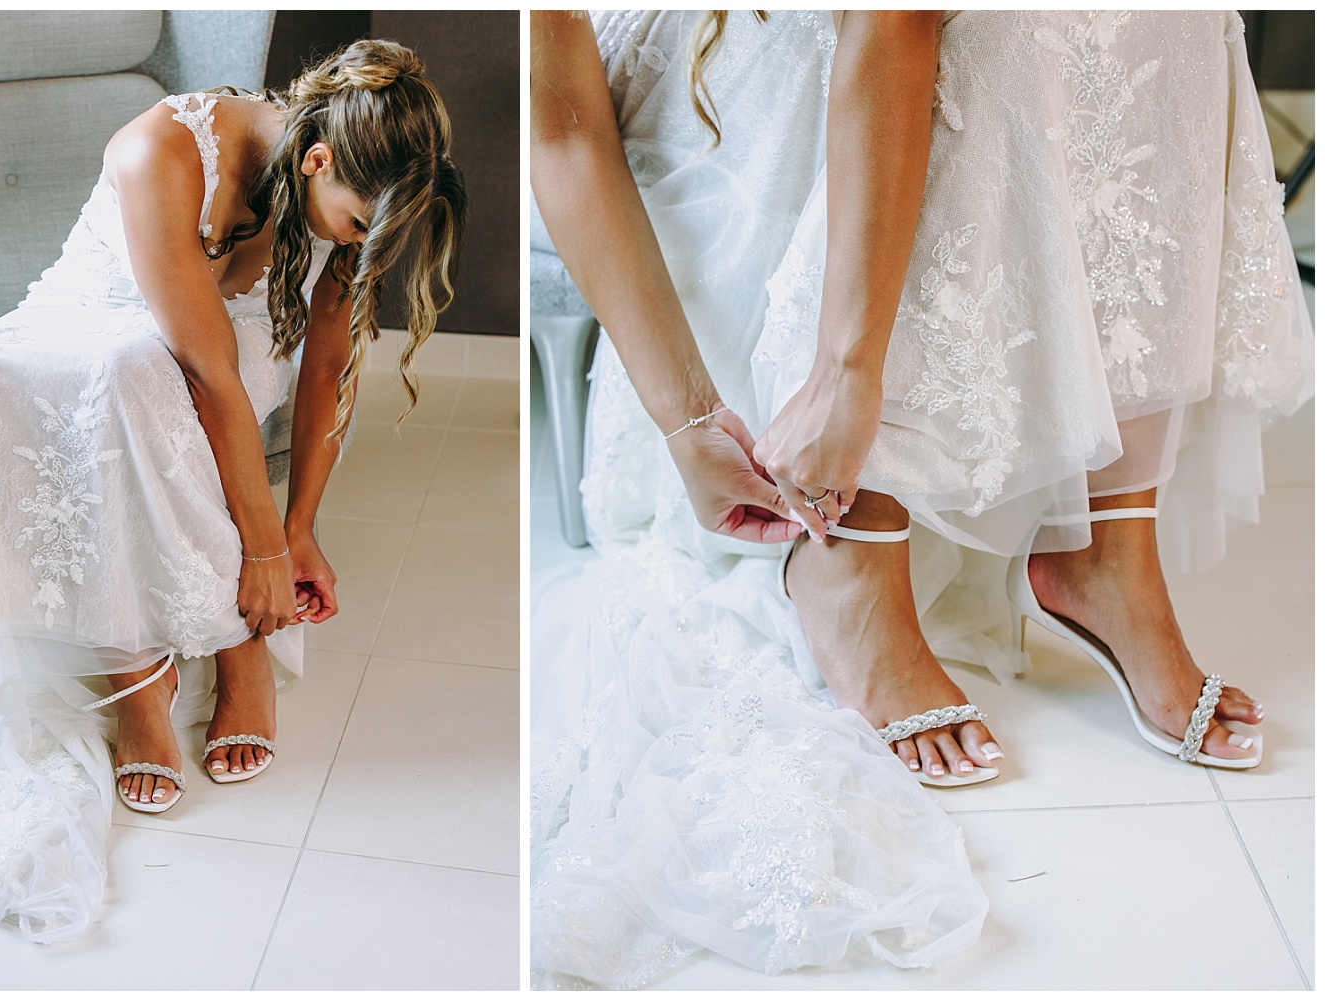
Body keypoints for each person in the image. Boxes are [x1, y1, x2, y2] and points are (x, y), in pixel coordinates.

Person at [531, 8, 1310, 988]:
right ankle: (850, 537)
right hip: (725, 70)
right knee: (973, 42)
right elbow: (557, 125)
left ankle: (1109, 545)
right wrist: (704, 415)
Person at [0, 39, 465, 942]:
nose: (355, 245)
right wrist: (263, 550)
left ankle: (233, 647)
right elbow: (198, 368)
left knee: (132, 374)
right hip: (87, 318)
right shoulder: (161, 150)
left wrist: (300, 526)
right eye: (354, 226)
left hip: (234, 347)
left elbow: (322, 365)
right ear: (317, 161)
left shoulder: (358, 185)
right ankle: (141, 669)